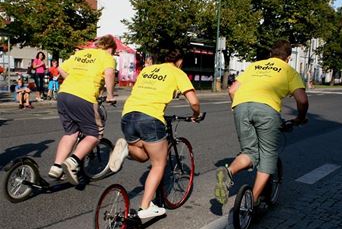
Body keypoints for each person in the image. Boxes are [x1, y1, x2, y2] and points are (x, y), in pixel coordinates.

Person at [108, 48, 201, 219]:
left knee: (144, 156)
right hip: (151, 117)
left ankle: (126, 149)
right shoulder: (177, 72)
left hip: (128, 115)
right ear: (179, 61)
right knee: (159, 163)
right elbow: (194, 101)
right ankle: (145, 207)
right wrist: (195, 115)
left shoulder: (147, 70)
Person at [214, 39, 309, 206]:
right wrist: (300, 118)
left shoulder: (254, 66)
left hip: (241, 107)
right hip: (267, 110)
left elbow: (232, 90)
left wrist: (237, 108)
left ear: (270, 54)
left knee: (249, 152)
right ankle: (253, 201)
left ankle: (228, 172)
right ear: (287, 58)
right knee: (267, 157)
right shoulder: (288, 70)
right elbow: (302, 100)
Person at [48, 35, 117, 185]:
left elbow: (60, 68)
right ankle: (72, 161)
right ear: (110, 48)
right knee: (95, 134)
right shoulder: (107, 57)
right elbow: (110, 73)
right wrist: (110, 95)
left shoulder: (81, 53)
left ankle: (57, 166)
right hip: (84, 97)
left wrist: (74, 80)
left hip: (64, 94)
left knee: (71, 133)